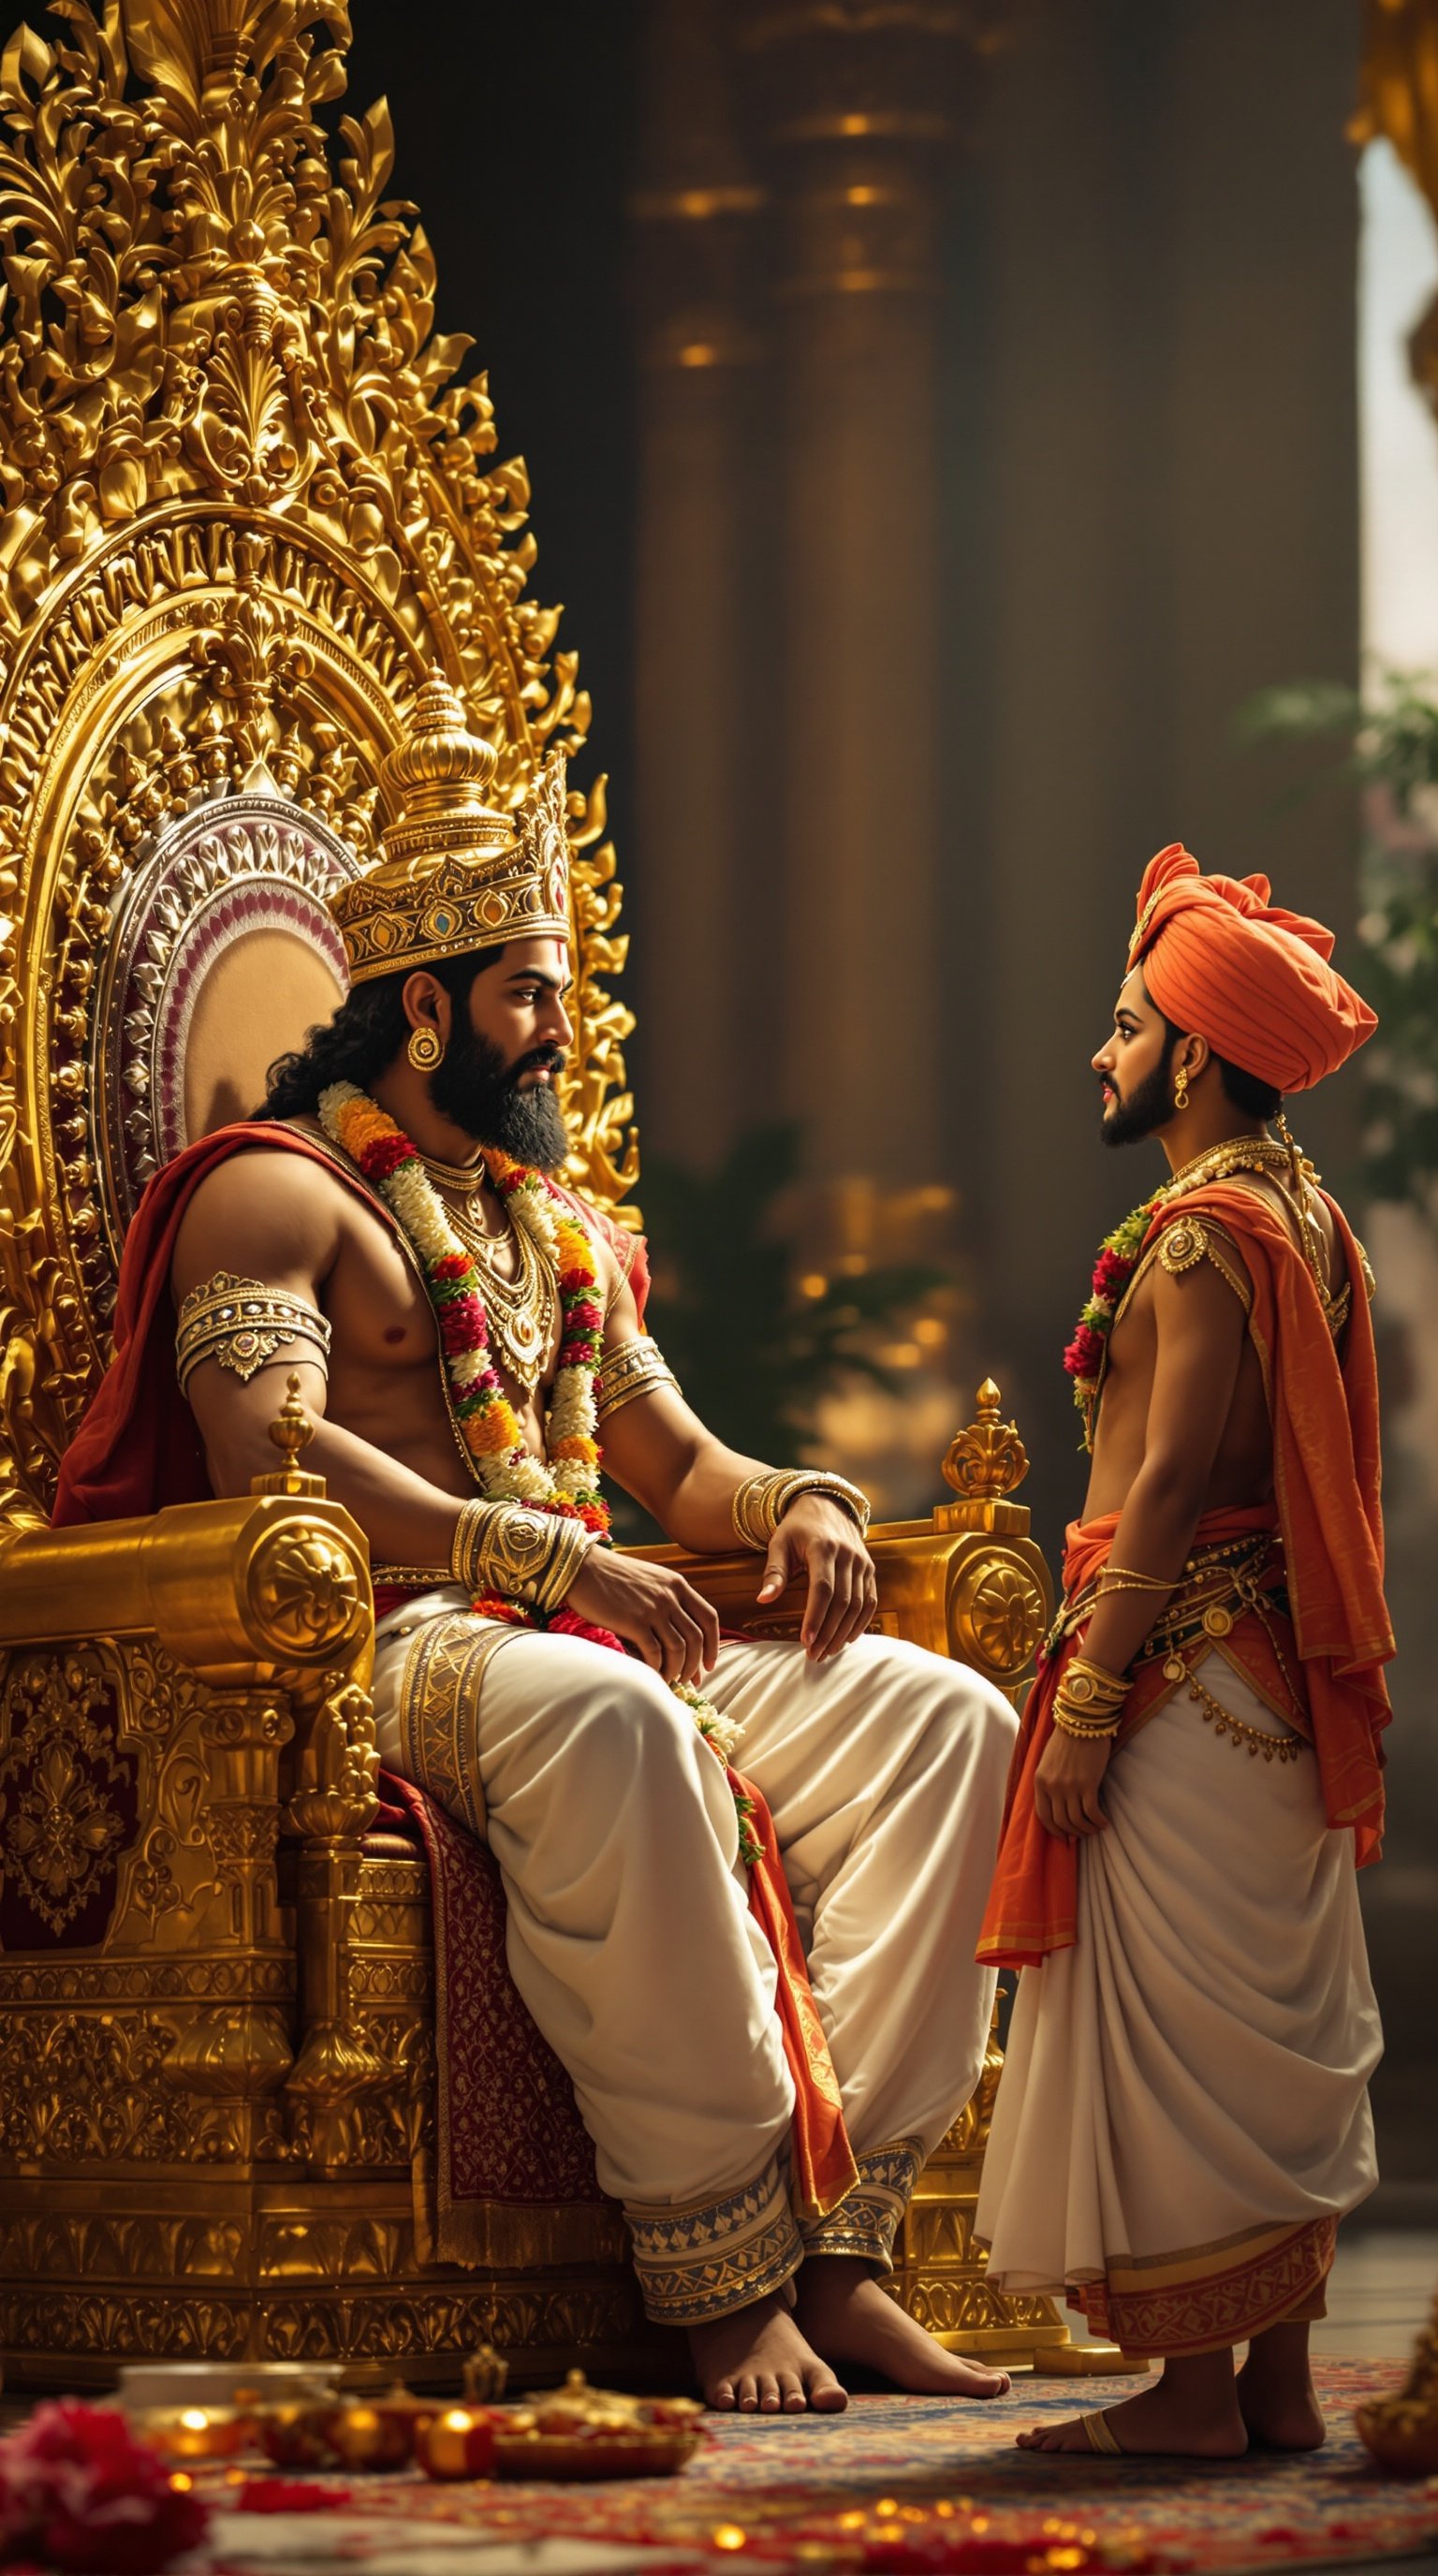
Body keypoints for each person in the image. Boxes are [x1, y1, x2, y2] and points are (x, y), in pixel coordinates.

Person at [56, 670, 1019, 2417]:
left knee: (951, 1722)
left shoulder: (562, 1236)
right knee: (617, 1720)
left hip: (583, 1614)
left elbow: (678, 1460)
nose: (562, 1031)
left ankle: (844, 2246)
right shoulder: (273, 1193)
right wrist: (541, 1561)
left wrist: (791, 1500)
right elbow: (268, 1448)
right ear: (423, 1010)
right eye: (530, 997)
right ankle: (720, 2276)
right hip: (395, 1641)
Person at [974, 843, 1390, 2459]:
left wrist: (1082, 1702)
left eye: (1127, 1025)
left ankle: (1195, 2399)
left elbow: (1160, 1484)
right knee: (1261, 2036)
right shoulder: (1316, 1221)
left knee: (1185, 2040)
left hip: (1183, 1680)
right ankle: (1274, 2389)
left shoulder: (1208, 1233)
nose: (1104, 1051)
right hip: (1271, 1689)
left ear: (1195, 1056)